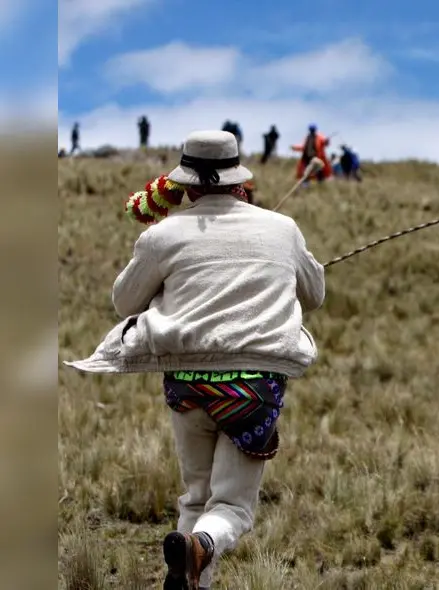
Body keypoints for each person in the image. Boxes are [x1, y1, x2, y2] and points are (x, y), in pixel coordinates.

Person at [63, 130, 327, 589]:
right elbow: (315, 294)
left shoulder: (163, 235)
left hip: (187, 385)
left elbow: (125, 301)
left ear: (184, 184)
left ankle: (190, 568)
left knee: (196, 497)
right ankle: (201, 546)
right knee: (232, 508)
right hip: (252, 388)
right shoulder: (282, 229)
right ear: (238, 179)